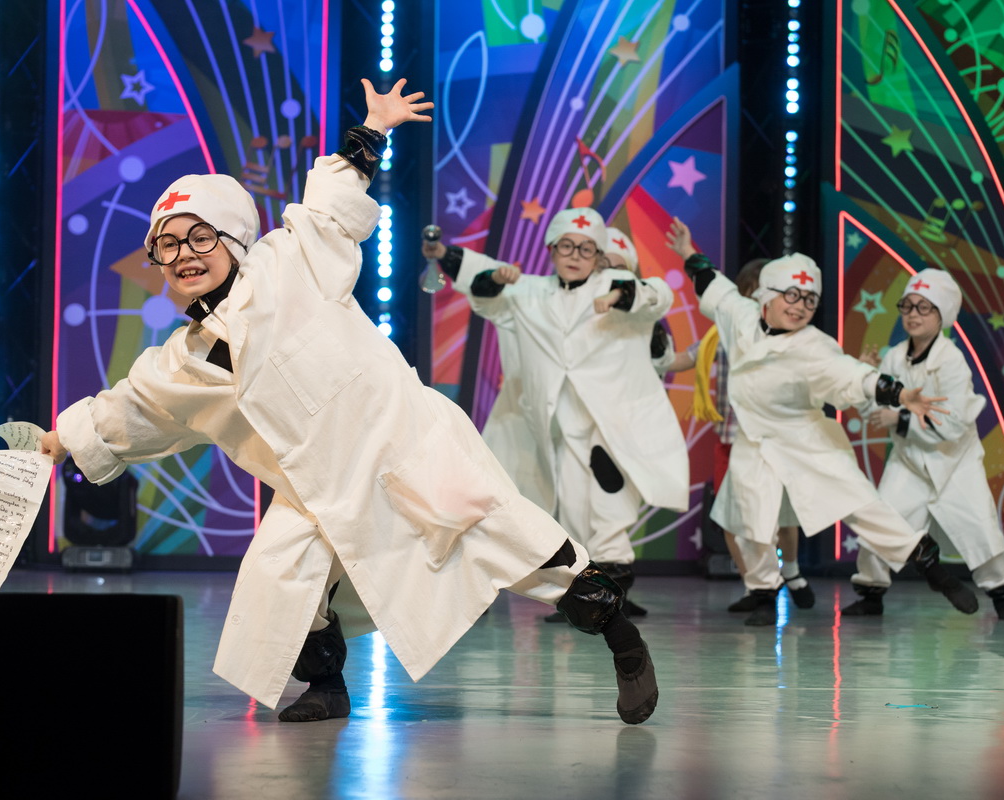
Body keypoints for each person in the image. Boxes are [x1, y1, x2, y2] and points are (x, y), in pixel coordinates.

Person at [39, 79, 658, 726]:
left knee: (508, 539)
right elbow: (129, 410)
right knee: (281, 579)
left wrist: (371, 131)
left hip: (404, 444)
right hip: (314, 488)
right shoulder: (178, 364)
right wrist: (61, 439)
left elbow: (328, 210)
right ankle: (327, 686)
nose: (184, 255)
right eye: (167, 245)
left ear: (233, 240)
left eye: (200, 238)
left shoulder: (287, 264)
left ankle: (620, 636)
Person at [667, 217, 977, 626]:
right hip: (753, 441)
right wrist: (688, 250)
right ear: (766, 296)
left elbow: (853, 375)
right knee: (747, 518)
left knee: (858, 501)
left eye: (810, 300)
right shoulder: (741, 315)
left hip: (806, 437)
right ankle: (763, 592)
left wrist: (899, 394)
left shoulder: (814, 346)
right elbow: (713, 283)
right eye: (792, 295)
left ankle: (926, 560)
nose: (800, 306)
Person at [426, 210, 690, 621]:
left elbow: (659, 294)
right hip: (561, 425)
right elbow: (483, 280)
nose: (575, 255)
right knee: (570, 507)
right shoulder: (532, 293)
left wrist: (618, 296)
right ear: (551, 249)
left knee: (610, 504)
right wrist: (455, 259)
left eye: (586, 249)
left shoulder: (617, 286)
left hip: (610, 425)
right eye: (566, 246)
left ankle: (613, 592)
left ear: (598, 255)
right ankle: (587, 597)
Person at [847, 269, 1004, 620]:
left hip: (954, 461)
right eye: (908, 306)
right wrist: (862, 379)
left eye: (924, 307)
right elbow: (877, 411)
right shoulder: (894, 357)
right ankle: (871, 594)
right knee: (883, 524)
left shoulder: (952, 361)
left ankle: (1002, 597)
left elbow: (955, 422)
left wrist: (902, 420)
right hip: (910, 460)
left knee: (981, 529)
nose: (913, 314)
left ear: (942, 315)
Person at [665, 259, 811, 612]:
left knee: (781, 516)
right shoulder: (721, 333)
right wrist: (646, 350)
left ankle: (791, 570)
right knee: (730, 519)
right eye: (752, 291)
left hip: (772, 442)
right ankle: (755, 587)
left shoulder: (791, 340)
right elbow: (681, 359)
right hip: (731, 440)